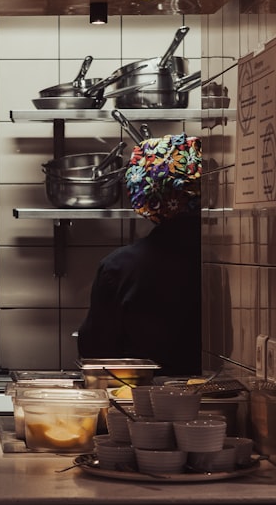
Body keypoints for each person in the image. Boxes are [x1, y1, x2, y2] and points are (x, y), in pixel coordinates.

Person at [77, 133, 203, 376]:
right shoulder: (220, 261)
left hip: (137, 397)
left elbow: (95, 348)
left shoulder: (119, 267)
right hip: (207, 395)